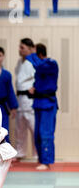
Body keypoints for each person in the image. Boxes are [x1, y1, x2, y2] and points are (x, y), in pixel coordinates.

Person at [26, 43, 59, 171]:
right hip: (38, 103)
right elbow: (39, 79)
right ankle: (41, 159)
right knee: (38, 135)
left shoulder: (51, 63)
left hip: (48, 104)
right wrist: (34, 88)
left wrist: (30, 54)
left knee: (46, 134)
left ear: (39, 54)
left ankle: (47, 161)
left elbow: (39, 66)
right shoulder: (40, 68)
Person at [14, 38, 37, 160]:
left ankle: (37, 154)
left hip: (30, 100)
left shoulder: (35, 61)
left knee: (34, 128)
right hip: (20, 99)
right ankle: (20, 153)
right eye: (19, 47)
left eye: (22, 47)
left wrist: (35, 87)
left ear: (30, 48)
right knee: (20, 129)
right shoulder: (20, 62)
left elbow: (40, 77)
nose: (20, 50)